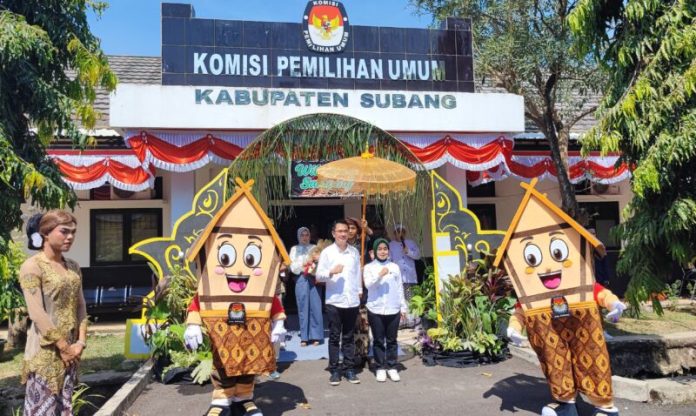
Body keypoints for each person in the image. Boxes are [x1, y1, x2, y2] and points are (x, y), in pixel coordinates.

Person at [19, 210, 88, 415]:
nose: (70, 237)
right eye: (64, 232)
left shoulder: (73, 266)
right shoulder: (32, 266)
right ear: (46, 233)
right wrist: (63, 346)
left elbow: (81, 306)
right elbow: (37, 313)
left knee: (65, 407)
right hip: (45, 351)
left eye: (73, 232)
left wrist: (80, 343)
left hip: (72, 351)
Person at [316, 220, 362, 386]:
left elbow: (357, 274)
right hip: (334, 301)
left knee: (349, 336)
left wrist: (359, 290)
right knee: (335, 336)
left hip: (351, 300)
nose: (343, 234)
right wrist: (331, 271)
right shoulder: (327, 253)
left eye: (345, 231)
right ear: (333, 233)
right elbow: (319, 276)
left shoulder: (354, 252)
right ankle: (335, 369)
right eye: (340, 231)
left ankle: (349, 369)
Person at [364, 238, 408, 382]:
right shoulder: (369, 267)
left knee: (392, 340)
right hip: (375, 308)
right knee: (377, 340)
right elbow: (368, 285)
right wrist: (379, 275)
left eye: (385, 249)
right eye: (380, 249)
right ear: (375, 251)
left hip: (393, 308)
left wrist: (403, 307)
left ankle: (392, 366)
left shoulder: (394, 267)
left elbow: (399, 287)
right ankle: (380, 367)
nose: (383, 252)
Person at [345, 216, 372, 369]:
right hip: (346, 289)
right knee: (349, 324)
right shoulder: (341, 246)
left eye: (353, 228)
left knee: (362, 322)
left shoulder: (363, 243)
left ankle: (363, 353)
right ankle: (350, 354)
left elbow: (374, 237)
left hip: (362, 287)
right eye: (347, 228)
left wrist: (365, 228)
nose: (350, 231)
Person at [289, 227, 323, 347]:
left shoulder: (314, 248)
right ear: (298, 236)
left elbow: (321, 263)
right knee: (303, 307)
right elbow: (292, 267)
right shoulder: (294, 249)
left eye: (307, 235)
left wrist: (313, 264)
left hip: (313, 278)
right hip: (301, 279)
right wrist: (303, 265)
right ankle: (304, 336)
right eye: (302, 235)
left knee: (315, 306)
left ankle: (316, 336)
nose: (304, 237)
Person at [389, 224, 421, 328]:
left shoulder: (410, 243)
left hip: (410, 276)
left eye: (402, 231)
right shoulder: (391, 245)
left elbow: (418, 255)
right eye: (398, 231)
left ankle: (412, 321)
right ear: (394, 234)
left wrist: (408, 251)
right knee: (400, 299)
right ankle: (402, 322)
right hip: (397, 278)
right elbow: (389, 260)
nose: (400, 233)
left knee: (410, 299)